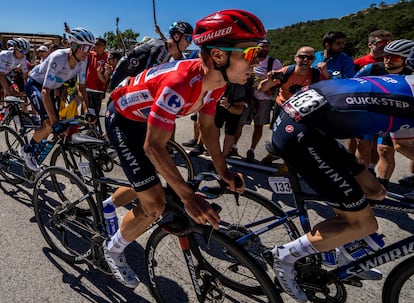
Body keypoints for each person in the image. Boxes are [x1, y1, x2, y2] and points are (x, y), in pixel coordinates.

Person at [101, 9, 264, 288]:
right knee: (155, 203)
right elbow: (153, 146)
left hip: (146, 116)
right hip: (123, 119)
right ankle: (112, 250)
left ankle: (109, 205)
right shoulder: (180, 85)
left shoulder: (216, 83)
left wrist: (223, 170)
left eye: (259, 53)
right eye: (250, 54)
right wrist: (188, 197)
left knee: (155, 180)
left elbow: (209, 126)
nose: (257, 63)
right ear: (218, 56)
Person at [269, 74, 414, 303]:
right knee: (362, 223)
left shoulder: (406, 82)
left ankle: (342, 252)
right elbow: (404, 145)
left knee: (376, 191)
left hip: (312, 125)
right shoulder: (407, 102)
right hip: (303, 133)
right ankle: (284, 256)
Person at [22, 27, 95, 171]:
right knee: (50, 123)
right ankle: (27, 150)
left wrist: (88, 110)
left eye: (90, 48)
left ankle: (40, 143)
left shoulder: (82, 60)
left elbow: (82, 89)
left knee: (59, 125)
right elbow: (44, 92)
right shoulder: (58, 57)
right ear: (73, 45)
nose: (87, 52)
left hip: (51, 89)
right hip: (36, 85)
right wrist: (54, 122)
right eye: (85, 47)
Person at [354, 39, 414, 188]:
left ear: (406, 59)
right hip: (371, 115)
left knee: (386, 150)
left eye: (394, 57)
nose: (387, 60)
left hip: (397, 118)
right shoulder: (372, 68)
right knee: (363, 147)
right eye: (386, 56)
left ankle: (381, 186)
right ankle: (362, 184)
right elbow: (352, 86)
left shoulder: (411, 75)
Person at [258, 45, 327, 164]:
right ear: (295, 58)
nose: (305, 60)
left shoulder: (316, 75)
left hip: (301, 112)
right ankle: (273, 155)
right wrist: (269, 80)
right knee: (278, 136)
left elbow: (329, 89)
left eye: (309, 58)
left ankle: (287, 164)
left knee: (295, 138)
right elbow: (262, 88)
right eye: (302, 57)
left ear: (313, 60)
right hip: (282, 108)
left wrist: (325, 74)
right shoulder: (286, 72)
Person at [232, 38, 282, 162]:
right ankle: (233, 146)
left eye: (266, 46)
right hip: (248, 97)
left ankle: (252, 150)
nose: (264, 49)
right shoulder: (249, 59)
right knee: (240, 123)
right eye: (261, 46)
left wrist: (270, 88)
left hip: (264, 99)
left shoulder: (274, 63)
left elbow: (280, 79)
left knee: (259, 125)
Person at [351, 29, 392, 175]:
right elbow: (350, 85)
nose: (385, 45)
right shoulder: (359, 63)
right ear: (370, 45)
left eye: (388, 42)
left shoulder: (394, 61)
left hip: (387, 112)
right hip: (364, 111)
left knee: (380, 147)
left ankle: (371, 171)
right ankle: (356, 171)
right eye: (381, 42)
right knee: (361, 145)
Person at [109, 21, 193, 90]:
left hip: (130, 79)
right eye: (188, 38)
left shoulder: (167, 52)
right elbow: (148, 77)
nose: (190, 43)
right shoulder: (160, 47)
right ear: (176, 36)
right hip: (122, 77)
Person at [215, 83, 247, 157]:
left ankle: (224, 155)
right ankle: (215, 151)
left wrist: (228, 107)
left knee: (230, 131)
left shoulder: (239, 87)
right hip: (221, 105)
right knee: (215, 126)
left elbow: (239, 110)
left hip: (233, 107)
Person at [85, 38, 109, 118]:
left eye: (98, 44)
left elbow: (107, 79)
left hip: (98, 91)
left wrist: (104, 91)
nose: (95, 46)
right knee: (86, 113)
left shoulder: (107, 58)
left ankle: (94, 129)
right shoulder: (90, 55)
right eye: (95, 44)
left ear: (104, 47)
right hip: (87, 89)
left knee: (95, 116)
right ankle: (88, 129)